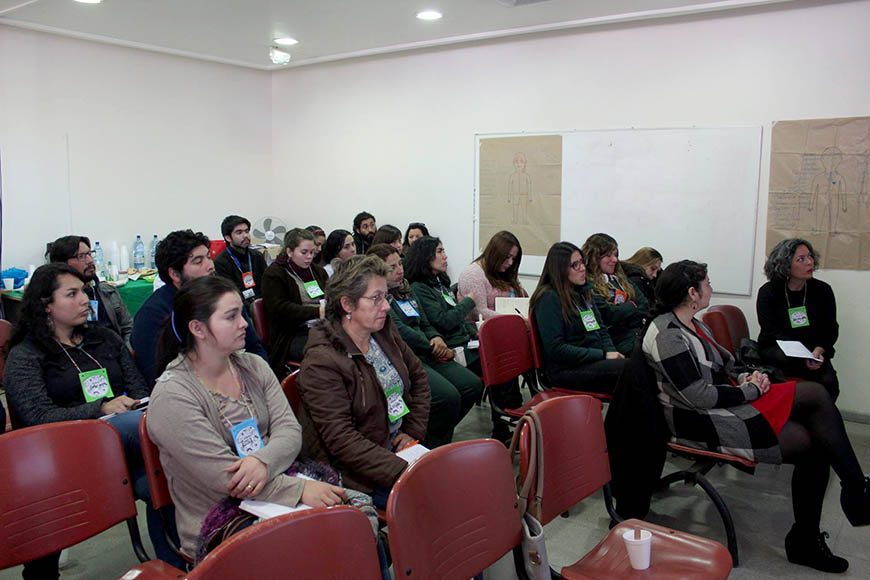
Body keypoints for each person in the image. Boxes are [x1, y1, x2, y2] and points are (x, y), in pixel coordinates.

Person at [643, 260, 870, 573]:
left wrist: (752, 376)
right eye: (707, 283)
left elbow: (725, 366)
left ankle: (845, 500)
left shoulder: (693, 323)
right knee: (813, 433)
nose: (712, 287)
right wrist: (750, 391)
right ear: (692, 293)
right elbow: (698, 396)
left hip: (723, 402)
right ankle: (848, 499)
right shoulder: (667, 334)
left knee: (816, 408)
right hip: (700, 418)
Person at [147, 276, 347, 559]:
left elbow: (290, 431)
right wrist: (299, 489)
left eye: (242, 313)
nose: (244, 323)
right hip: (220, 517)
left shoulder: (253, 365)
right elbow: (226, 480)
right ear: (198, 329)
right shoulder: (173, 396)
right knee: (329, 543)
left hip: (273, 487)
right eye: (231, 317)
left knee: (357, 521)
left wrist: (261, 462)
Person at [3, 263, 171, 577]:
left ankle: (176, 559)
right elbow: (38, 418)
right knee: (150, 433)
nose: (85, 300)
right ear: (46, 304)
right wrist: (101, 409)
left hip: (122, 447)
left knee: (165, 472)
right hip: (59, 456)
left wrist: (130, 404)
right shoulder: (26, 355)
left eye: (84, 292)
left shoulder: (103, 339)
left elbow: (137, 385)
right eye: (72, 294)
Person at [297, 255, 430, 508]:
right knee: (435, 499)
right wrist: (402, 469)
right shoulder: (322, 361)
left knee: (453, 484)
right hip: (357, 473)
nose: (386, 306)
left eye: (385, 297)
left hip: (396, 447)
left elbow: (419, 378)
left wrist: (411, 431)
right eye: (375, 298)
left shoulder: (381, 331)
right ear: (347, 304)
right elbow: (342, 440)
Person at [368, 244, 482, 448]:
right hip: (409, 354)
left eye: (400, 263)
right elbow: (401, 330)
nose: (399, 270)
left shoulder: (406, 288)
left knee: (471, 385)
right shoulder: (383, 299)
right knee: (448, 396)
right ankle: (429, 443)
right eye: (391, 267)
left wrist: (435, 337)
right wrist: (431, 346)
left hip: (428, 348)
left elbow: (424, 321)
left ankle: (436, 434)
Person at [132, 230, 267, 387]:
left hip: (243, 381)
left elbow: (254, 347)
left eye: (209, 257)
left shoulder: (226, 297)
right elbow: (160, 375)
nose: (210, 266)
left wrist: (259, 381)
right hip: (189, 395)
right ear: (175, 274)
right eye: (198, 261)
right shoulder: (152, 315)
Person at [530, 242, 625, 394]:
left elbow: (600, 329)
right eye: (575, 265)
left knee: (635, 368)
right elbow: (556, 349)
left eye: (582, 262)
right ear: (560, 269)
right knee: (630, 372)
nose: (582, 268)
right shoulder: (549, 298)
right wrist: (604, 355)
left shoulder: (583, 293)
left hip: (591, 361)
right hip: (566, 369)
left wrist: (611, 353)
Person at [757, 239, 840, 400]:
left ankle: (819, 421)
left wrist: (818, 350)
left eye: (810, 257)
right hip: (779, 351)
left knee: (829, 382)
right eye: (801, 259)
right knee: (784, 365)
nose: (809, 262)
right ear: (785, 265)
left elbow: (831, 328)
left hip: (813, 351)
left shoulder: (822, 290)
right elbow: (771, 331)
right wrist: (802, 354)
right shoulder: (769, 292)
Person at [261, 228, 328, 377]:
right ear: (290, 252)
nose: (309, 257)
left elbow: (330, 296)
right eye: (304, 252)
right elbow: (280, 309)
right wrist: (317, 312)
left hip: (321, 326)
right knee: (328, 352)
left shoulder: (317, 271)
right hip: (291, 334)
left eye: (312, 252)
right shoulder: (274, 274)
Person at [48, 235, 133, 348]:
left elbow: (128, 328)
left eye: (89, 254)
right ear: (62, 263)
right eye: (81, 256)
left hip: (115, 354)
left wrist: (127, 350)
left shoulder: (108, 291)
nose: (90, 260)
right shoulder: (58, 301)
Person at [582, 233, 649, 355]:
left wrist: (623, 316)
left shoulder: (620, 279)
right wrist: (632, 305)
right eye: (608, 255)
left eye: (615, 254)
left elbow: (644, 304)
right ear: (594, 257)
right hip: (614, 342)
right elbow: (609, 314)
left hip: (634, 334)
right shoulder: (587, 284)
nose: (615, 259)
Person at [457, 230, 526, 320]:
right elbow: (480, 312)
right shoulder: (473, 274)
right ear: (495, 254)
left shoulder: (505, 271)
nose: (510, 263)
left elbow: (521, 297)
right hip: (486, 328)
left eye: (513, 258)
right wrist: (514, 319)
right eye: (507, 257)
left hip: (508, 323)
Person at [214, 215, 269, 305]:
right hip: (240, 306)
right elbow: (229, 294)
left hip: (262, 303)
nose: (245, 236)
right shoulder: (221, 262)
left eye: (247, 231)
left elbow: (267, 284)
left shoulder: (257, 256)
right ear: (228, 238)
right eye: (239, 233)